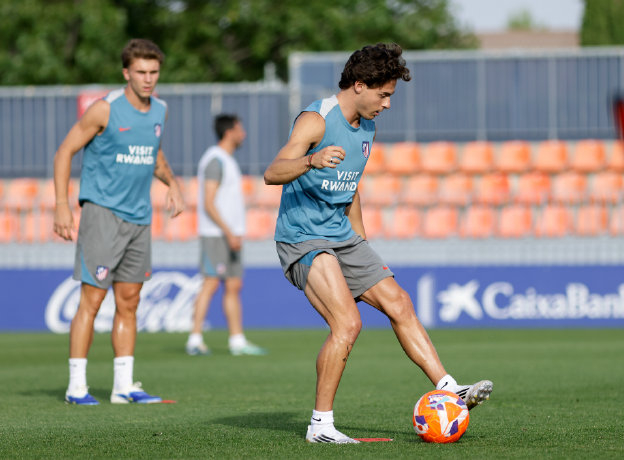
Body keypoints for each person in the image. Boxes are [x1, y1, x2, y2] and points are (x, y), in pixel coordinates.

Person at [264, 43, 493, 444]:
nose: (387, 104)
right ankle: (320, 426)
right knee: (347, 324)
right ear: (359, 85)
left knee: (399, 302)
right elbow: (272, 172)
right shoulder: (316, 120)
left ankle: (448, 387)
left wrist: (360, 243)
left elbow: (350, 187)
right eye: (383, 95)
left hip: (342, 236)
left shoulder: (367, 128)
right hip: (303, 237)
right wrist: (310, 160)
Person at [53, 38, 185, 405]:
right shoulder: (104, 109)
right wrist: (61, 205)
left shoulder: (160, 110)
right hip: (102, 214)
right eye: (141, 72)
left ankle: (123, 387)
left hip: (139, 218)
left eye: (154, 72)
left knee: (129, 301)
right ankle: (76, 387)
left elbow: (154, 154)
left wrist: (173, 184)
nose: (148, 78)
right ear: (126, 72)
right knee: (92, 301)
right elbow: (64, 151)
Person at [185, 114, 267, 357]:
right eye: (240, 129)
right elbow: (209, 203)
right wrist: (229, 231)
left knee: (233, 285)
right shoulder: (215, 160)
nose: (244, 134)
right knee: (210, 283)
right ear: (229, 132)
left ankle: (237, 340)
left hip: (231, 234)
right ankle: (195, 338)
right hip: (216, 234)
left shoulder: (227, 160)